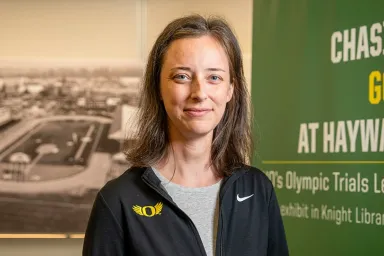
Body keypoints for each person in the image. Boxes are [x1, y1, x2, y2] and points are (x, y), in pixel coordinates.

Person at [83, 14, 289, 256]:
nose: (199, 92)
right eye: (182, 76)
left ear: (230, 90)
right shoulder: (119, 200)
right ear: (158, 87)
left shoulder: (257, 189)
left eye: (214, 77)